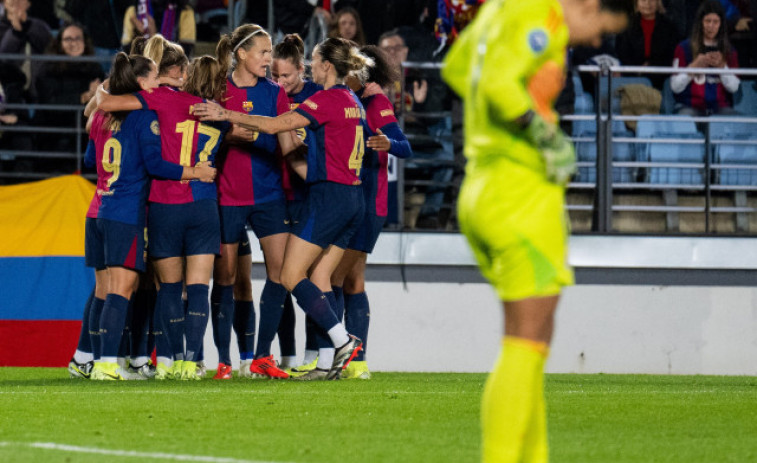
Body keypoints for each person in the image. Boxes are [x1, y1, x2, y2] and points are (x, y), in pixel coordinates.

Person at [442, 0, 631, 461]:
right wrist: (540, 132)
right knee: (526, 343)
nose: (594, 40)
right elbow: (496, 82)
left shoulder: (501, 9)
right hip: (519, 193)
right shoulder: (539, 13)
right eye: (599, 26)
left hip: (484, 187)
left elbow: (457, 66)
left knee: (531, 345)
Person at [194, 37, 370, 381]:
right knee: (320, 277)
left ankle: (342, 341)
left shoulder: (326, 100)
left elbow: (275, 126)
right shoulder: (353, 102)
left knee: (290, 276)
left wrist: (225, 113)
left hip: (329, 198)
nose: (310, 67)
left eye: (315, 62)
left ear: (328, 66)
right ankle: (324, 363)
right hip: (354, 199)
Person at [97, 54, 231, 380]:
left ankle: (166, 362)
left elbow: (106, 102)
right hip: (203, 204)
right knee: (199, 288)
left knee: (168, 289)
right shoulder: (220, 117)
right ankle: (190, 364)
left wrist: (106, 86)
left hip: (164, 203)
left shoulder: (158, 101)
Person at [211, 24, 293, 380]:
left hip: (270, 195)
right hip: (227, 196)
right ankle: (224, 361)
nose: (268, 58)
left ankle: (261, 356)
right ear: (241, 54)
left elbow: (286, 140)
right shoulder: (218, 90)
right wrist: (227, 136)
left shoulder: (275, 93)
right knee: (225, 278)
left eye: (270, 52)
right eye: (262, 52)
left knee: (281, 274)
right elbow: (198, 139)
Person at [333, 44, 412, 380]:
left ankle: (337, 356)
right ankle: (357, 361)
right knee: (351, 279)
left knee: (335, 278)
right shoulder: (350, 100)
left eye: (348, 67)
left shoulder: (374, 103)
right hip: (354, 200)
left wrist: (387, 144)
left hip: (367, 202)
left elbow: (404, 145)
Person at [270, 32, 323, 373]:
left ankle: (315, 353)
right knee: (282, 281)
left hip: (310, 196)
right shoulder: (270, 97)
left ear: (301, 71)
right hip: (278, 195)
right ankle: (288, 355)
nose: (279, 82)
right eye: (274, 76)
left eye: (285, 76)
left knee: (313, 278)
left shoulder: (319, 96)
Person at [34, 22, 104, 156]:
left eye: (78, 38)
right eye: (68, 39)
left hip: (84, 131)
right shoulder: (47, 68)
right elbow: (49, 102)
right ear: (59, 43)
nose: (74, 43)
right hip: (54, 131)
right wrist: (83, 97)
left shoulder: (94, 68)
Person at [671, 0, 741, 116]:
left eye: (715, 22)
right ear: (700, 22)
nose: (711, 26)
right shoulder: (683, 48)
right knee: (684, 118)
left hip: (720, 108)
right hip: (690, 106)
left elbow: (734, 88)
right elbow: (675, 87)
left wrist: (722, 67)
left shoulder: (730, 51)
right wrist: (693, 67)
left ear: (721, 24)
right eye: (707, 21)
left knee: (737, 122)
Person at [615, 0, 681, 89]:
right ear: (636, 3)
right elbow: (622, 53)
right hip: (632, 77)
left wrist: (651, 66)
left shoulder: (669, 27)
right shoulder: (627, 25)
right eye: (643, 0)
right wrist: (638, 69)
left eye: (651, 0)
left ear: (658, 3)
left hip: (661, 78)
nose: (647, 4)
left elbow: (671, 55)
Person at [121, 0, 196, 57]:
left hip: (170, 73)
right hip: (141, 72)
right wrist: (138, 36)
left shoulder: (185, 11)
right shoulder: (134, 10)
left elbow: (185, 54)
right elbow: (126, 54)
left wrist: (154, 38)